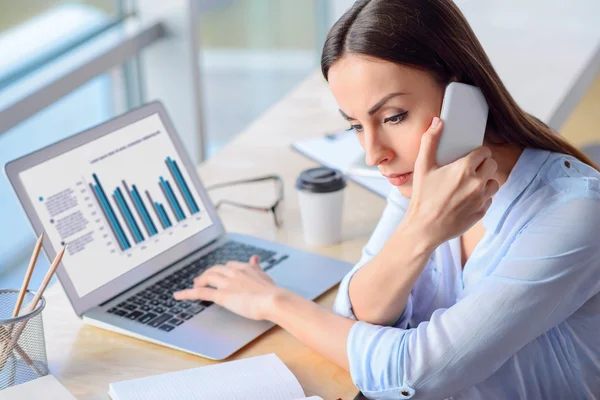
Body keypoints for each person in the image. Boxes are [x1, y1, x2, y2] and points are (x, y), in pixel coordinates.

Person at [174, 0, 600, 398]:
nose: (374, 153)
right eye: (356, 125)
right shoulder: (424, 180)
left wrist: (274, 302)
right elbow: (361, 311)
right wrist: (420, 229)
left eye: (393, 117)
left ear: (464, 97)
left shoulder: (574, 214)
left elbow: (416, 375)